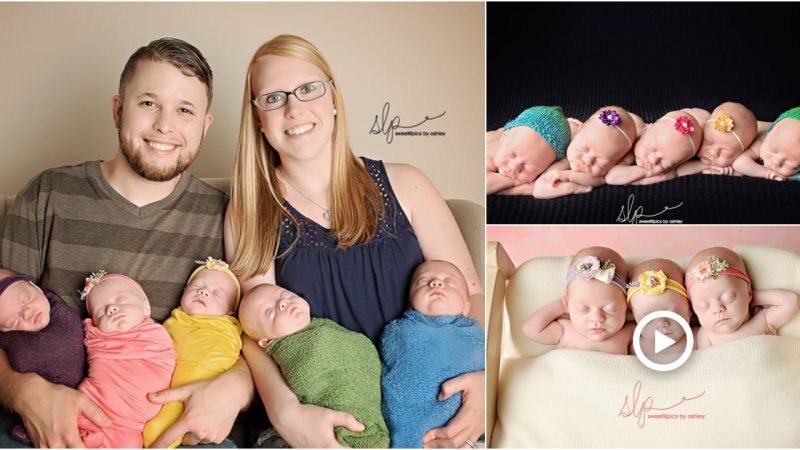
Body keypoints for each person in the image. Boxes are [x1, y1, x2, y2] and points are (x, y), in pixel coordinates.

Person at [224, 34, 484, 448]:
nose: (294, 108)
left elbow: (471, 293)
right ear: (257, 117)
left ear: (333, 98)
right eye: (273, 98)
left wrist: (483, 384)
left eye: (308, 89)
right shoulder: (252, 208)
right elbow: (254, 333)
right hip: (320, 418)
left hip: (432, 412)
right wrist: (286, 413)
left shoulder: (407, 184)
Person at [0, 37, 252, 448]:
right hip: (58, 426)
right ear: (118, 109)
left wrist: (237, 387)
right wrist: (20, 390)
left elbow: (260, 337)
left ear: (205, 124)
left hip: (178, 430)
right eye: (149, 103)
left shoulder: (229, 216)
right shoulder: (49, 194)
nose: (165, 125)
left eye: (185, 110)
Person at [238, 284, 389, 448]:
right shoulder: (290, 348)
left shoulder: (323, 327)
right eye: (270, 312)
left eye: (284, 294)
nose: (282, 303)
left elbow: (361, 349)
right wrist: (287, 412)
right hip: (325, 425)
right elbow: (306, 372)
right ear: (267, 341)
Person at [380, 260, 484, 448]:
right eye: (423, 281)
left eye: (449, 281)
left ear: (466, 308)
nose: (436, 283)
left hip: (466, 427)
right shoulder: (398, 331)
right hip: (410, 427)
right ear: (411, 302)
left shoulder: (474, 334)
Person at [143, 257, 243, 448]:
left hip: (205, 389)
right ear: (183, 293)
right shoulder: (174, 319)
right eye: (196, 287)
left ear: (230, 312)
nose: (204, 292)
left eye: (218, 294)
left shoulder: (228, 328)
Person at [76, 271, 176, 448]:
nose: (111, 309)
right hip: (95, 404)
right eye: (100, 311)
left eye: (121, 300)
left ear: (145, 307)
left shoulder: (157, 336)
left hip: (131, 426)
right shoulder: (97, 339)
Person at [0, 269, 85, 445]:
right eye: (13, 322)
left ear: (36, 287)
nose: (26, 313)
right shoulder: (15, 341)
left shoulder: (63, 316)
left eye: (25, 300)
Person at [522, 246, 634, 355]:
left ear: (626, 305)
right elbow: (530, 330)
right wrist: (561, 305)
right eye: (583, 308)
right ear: (569, 306)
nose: (597, 318)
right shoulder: (565, 330)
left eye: (610, 309)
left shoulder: (629, 333)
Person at [685, 247, 799, 348]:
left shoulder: (761, 321)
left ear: (748, 293)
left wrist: (752, 298)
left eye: (728, 297)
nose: (717, 309)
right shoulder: (705, 336)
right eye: (703, 306)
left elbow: (791, 301)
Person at [486, 106, 572, 194]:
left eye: (528, 167)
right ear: (504, 137)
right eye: (513, 154)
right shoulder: (489, 155)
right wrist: (515, 182)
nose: (514, 168)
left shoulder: (514, 142)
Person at [605, 109, 704, 185]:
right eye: (653, 149)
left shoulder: (672, 153)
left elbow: (677, 171)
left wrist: (705, 165)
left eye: (666, 164)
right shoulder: (631, 146)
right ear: (646, 131)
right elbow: (611, 177)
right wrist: (646, 172)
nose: (653, 160)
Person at [626, 259, 693, 358]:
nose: (662, 324)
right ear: (634, 318)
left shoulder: (700, 338)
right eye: (649, 318)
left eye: (673, 314)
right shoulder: (632, 345)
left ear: (690, 310)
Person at [677, 102, 758, 177]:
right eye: (709, 142)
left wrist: (734, 172)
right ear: (702, 128)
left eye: (725, 154)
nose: (713, 153)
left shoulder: (740, 158)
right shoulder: (687, 138)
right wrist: (705, 166)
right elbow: (672, 170)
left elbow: (743, 170)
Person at [732, 106, 800, 181]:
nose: (776, 162)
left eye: (789, 165)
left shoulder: (774, 142)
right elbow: (739, 163)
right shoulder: (763, 139)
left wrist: (791, 177)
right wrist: (766, 173)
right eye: (774, 150)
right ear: (768, 134)